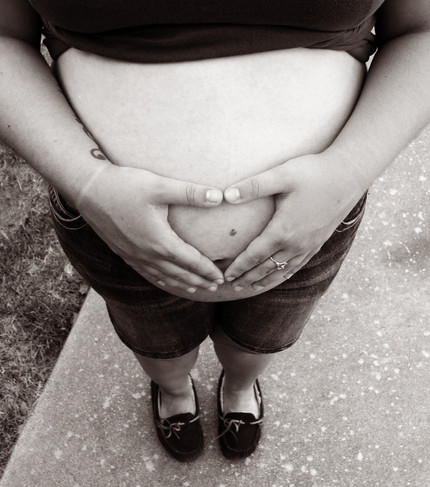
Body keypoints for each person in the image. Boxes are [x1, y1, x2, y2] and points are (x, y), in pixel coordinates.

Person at [1, 0, 429, 463]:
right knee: (159, 345)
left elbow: (420, 30)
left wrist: (348, 171)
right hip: (115, 230)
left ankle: (239, 387)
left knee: (258, 342)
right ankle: (174, 391)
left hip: (310, 226)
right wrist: (89, 183)